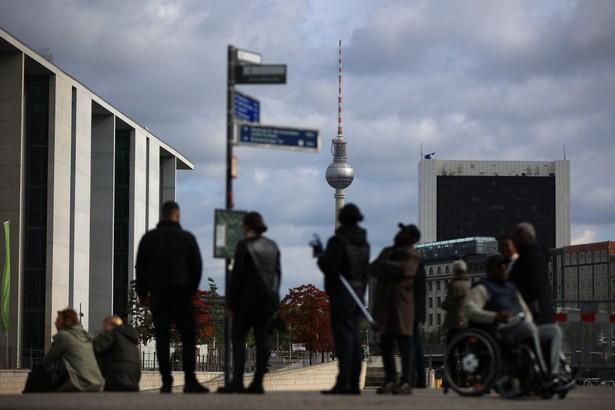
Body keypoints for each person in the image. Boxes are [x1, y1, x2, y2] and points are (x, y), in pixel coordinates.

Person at [464, 254, 574, 394]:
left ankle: (552, 374)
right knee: (529, 328)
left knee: (554, 330)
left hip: (520, 328)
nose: (505, 270)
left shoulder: (511, 288)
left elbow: (525, 311)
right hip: (499, 332)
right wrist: (495, 316)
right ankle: (543, 376)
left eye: (506, 267)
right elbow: (469, 309)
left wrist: (526, 321)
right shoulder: (482, 288)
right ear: (492, 269)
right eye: (502, 267)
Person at [135, 201, 209, 393]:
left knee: (162, 337)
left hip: (159, 294)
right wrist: (192, 289)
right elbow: (197, 266)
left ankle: (166, 382)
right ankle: (190, 380)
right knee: (188, 336)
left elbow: (141, 268)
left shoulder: (149, 239)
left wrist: (143, 293)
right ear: (178, 216)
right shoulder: (187, 238)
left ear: (161, 216)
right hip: (182, 293)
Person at [222, 212, 281, 394]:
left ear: (247, 227)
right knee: (262, 339)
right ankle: (258, 383)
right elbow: (277, 275)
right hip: (267, 300)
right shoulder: (273, 246)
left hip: (247, 301)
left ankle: (237, 380)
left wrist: (231, 303)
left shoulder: (243, 245)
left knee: (238, 338)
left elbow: (237, 276)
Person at [317, 203, 370, 395]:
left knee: (343, 339)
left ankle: (344, 382)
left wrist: (320, 256)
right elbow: (364, 271)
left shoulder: (337, 241)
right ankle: (354, 383)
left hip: (342, 292)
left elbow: (330, 267)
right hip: (358, 292)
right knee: (354, 337)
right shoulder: (364, 243)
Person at [509, 222, 565, 383]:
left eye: (518, 235)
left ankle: (543, 377)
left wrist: (519, 300)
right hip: (539, 311)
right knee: (545, 342)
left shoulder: (532, 256)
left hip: (536, 312)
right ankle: (545, 377)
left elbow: (533, 283)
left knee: (541, 343)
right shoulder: (531, 256)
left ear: (529, 237)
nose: (516, 239)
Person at [369, 223, 421, 394]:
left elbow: (407, 270)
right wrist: (389, 268)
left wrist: (387, 265)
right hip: (385, 304)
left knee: (405, 344)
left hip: (402, 305)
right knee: (385, 344)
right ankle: (390, 378)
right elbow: (373, 268)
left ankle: (406, 381)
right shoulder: (388, 251)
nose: (399, 234)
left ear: (412, 238)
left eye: (404, 232)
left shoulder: (412, 255)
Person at [24, 308, 104, 392]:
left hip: (79, 382)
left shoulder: (63, 336)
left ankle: (27, 399)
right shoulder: (85, 336)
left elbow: (47, 361)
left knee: (38, 369)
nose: (55, 323)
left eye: (58, 320)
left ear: (67, 321)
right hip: (96, 381)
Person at [94, 315, 141, 391]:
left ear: (113, 325)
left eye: (105, 326)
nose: (103, 329)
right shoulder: (132, 341)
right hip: (134, 381)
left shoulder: (113, 334)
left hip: (116, 380)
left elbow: (96, 348)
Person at [441, 260, 471, 345]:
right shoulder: (469, 284)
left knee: (450, 345)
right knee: (463, 346)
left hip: (456, 321)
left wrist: (443, 305)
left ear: (454, 271)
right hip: (466, 320)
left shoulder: (454, 285)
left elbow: (450, 303)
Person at [411, 262, 427, 388]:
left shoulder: (410, 267)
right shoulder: (420, 268)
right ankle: (421, 379)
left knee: (409, 346)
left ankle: (411, 378)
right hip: (418, 311)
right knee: (416, 344)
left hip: (408, 311)